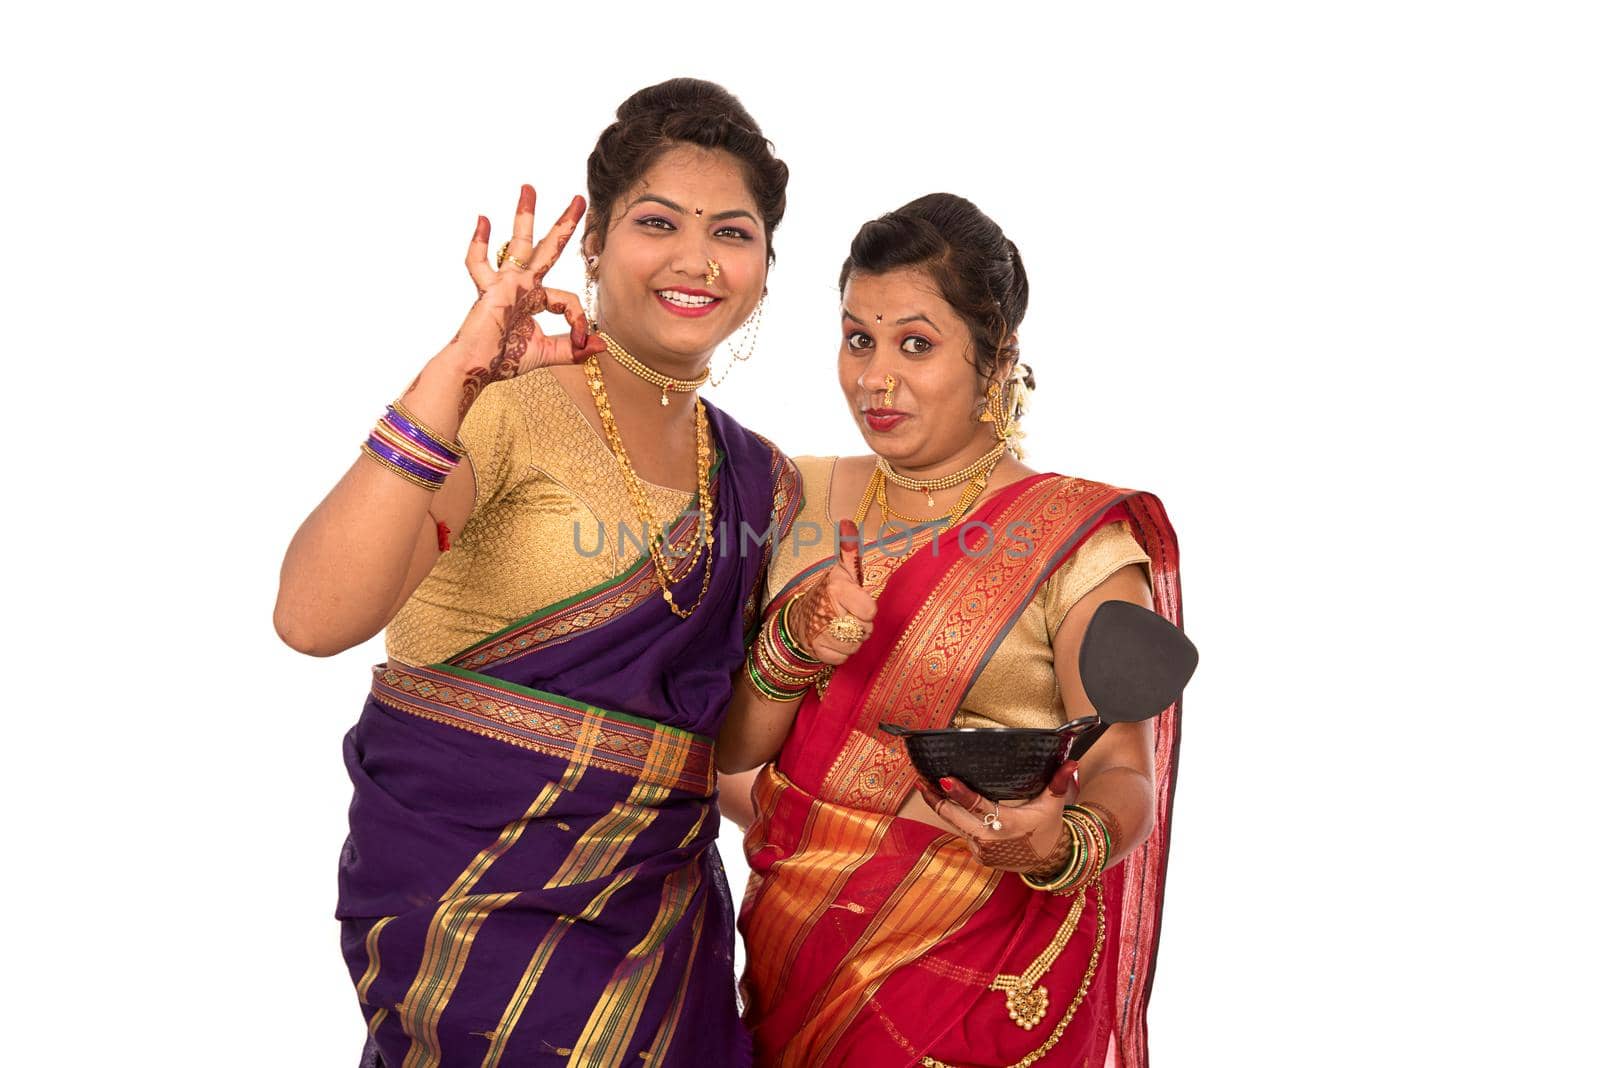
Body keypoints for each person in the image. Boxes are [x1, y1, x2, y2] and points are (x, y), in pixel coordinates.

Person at [273, 79, 798, 1067]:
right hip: (474, 929)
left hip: (661, 948)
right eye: (657, 223)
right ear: (593, 242)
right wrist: (458, 370)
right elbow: (310, 616)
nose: (696, 259)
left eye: (732, 232)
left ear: (765, 270)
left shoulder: (762, 481)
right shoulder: (504, 409)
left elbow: (724, 754)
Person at [718, 194, 1183, 1067]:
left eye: (916, 344)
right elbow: (734, 756)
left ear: (999, 357)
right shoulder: (795, 497)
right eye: (858, 338)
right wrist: (796, 650)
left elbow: (1125, 769)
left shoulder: (1080, 543)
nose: (874, 378)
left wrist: (1061, 841)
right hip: (800, 949)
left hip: (983, 973)